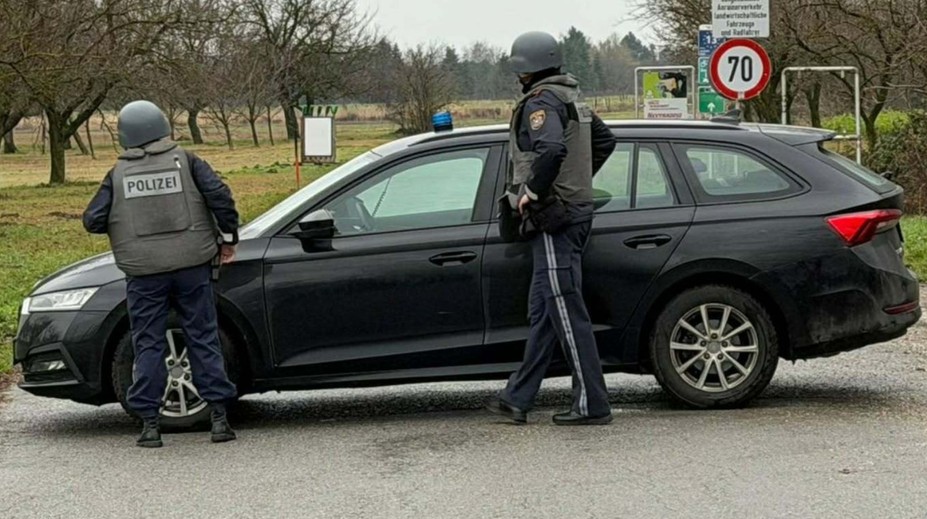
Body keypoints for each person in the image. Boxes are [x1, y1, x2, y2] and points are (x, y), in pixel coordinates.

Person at [82, 100, 239, 447]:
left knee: (148, 344)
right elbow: (220, 197)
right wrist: (227, 238)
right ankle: (218, 418)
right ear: (163, 127)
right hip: (192, 266)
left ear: (125, 135)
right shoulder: (188, 161)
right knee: (202, 336)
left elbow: (93, 219)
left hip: (144, 274)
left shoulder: (117, 175)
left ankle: (150, 425)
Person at [486, 31, 617, 426]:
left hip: (554, 219)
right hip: (575, 212)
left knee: (566, 310)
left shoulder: (540, 102)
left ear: (526, 70)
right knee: (546, 308)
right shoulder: (573, 97)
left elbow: (552, 149)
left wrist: (533, 191)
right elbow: (605, 142)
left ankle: (592, 403)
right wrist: (578, 182)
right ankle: (518, 397)